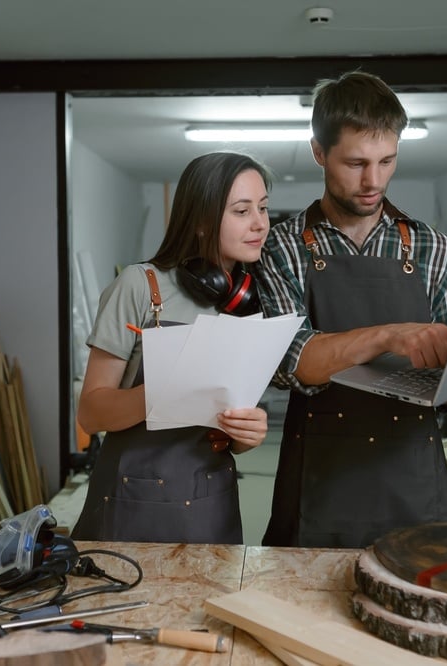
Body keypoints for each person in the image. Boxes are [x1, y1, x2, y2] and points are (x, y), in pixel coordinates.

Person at [255, 70, 447, 549]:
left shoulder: (435, 249)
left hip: (414, 478)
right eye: (355, 163)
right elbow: (292, 364)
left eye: (387, 160)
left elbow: (445, 380)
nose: (372, 180)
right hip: (319, 481)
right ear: (319, 152)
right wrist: (390, 335)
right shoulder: (282, 247)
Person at [72, 151, 273, 545]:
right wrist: (161, 394)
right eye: (241, 211)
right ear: (200, 220)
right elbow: (90, 414)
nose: (259, 224)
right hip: (134, 502)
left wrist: (246, 435)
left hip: (209, 503)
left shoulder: (247, 302)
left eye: (263, 209)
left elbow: (225, 431)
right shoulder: (140, 286)